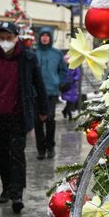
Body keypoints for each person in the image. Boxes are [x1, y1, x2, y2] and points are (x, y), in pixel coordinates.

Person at [0, 22, 48, 213]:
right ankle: (6, 187)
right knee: (1, 156)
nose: (5, 41)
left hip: (18, 115)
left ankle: (17, 194)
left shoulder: (28, 57)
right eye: (2, 38)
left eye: (9, 38)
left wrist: (43, 108)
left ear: (16, 38)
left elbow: (39, 84)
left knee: (17, 154)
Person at [34, 27, 67, 159]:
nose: (45, 37)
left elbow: (63, 70)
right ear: (40, 37)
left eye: (48, 35)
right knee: (37, 122)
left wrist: (57, 81)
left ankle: (50, 147)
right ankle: (41, 149)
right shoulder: (34, 53)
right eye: (43, 35)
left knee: (50, 119)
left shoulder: (57, 54)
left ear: (51, 38)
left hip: (51, 91)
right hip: (36, 92)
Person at [60, 54, 81, 120]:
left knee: (70, 101)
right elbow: (61, 75)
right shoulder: (63, 67)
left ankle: (65, 111)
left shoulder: (74, 66)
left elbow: (77, 75)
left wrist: (73, 79)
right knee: (68, 101)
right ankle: (69, 115)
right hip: (66, 87)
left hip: (72, 87)